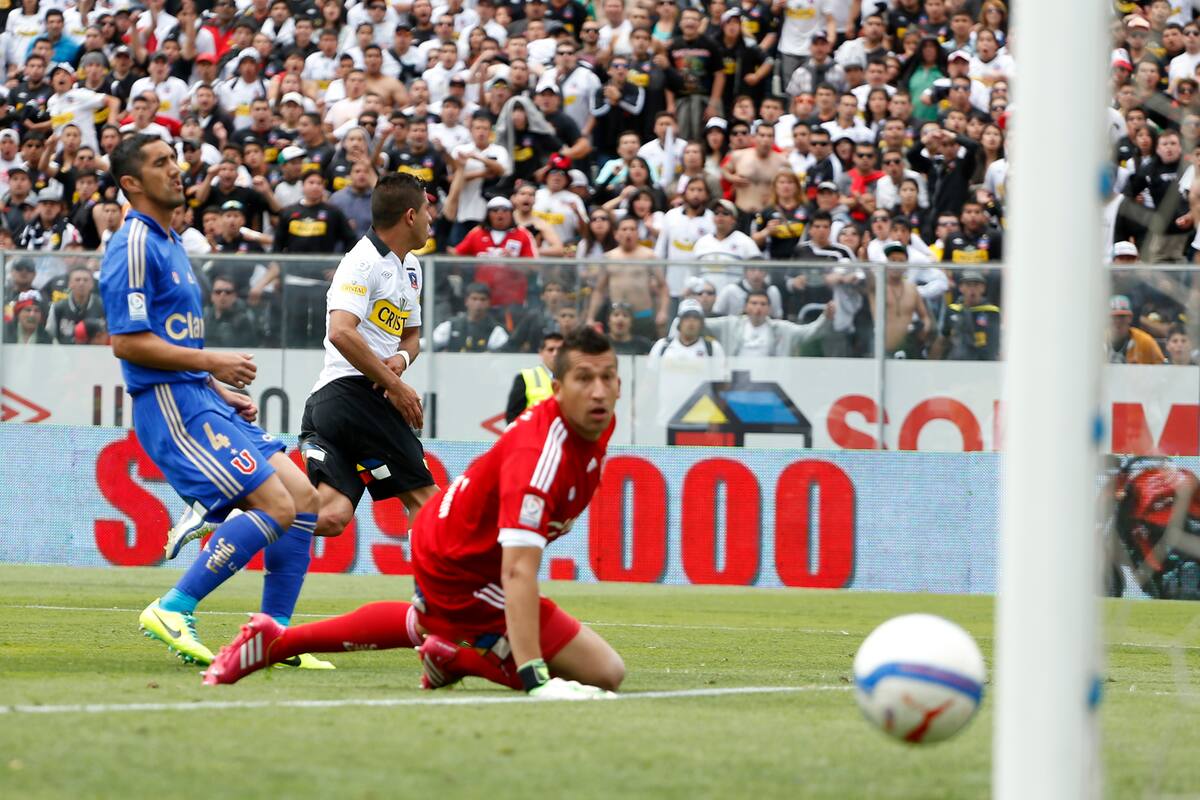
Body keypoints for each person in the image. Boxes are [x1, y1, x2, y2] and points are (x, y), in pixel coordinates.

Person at [205, 328, 625, 702]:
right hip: (460, 561)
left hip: (454, 536)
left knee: (424, 622)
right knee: (604, 673)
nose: (598, 391)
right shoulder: (539, 457)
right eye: (584, 379)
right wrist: (535, 678)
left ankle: (276, 641)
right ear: (557, 388)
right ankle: (459, 659)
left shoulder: (596, 423)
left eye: (607, 378)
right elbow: (517, 572)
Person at [98, 134, 323, 668]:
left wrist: (217, 385)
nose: (176, 170)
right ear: (131, 183)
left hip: (202, 397)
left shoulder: (172, 240)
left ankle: (273, 636)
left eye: (174, 160)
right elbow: (126, 342)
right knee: (275, 505)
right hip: (172, 406)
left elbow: (174, 337)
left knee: (304, 502)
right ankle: (174, 606)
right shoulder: (133, 244)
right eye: (159, 164)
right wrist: (211, 364)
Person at [287, 173, 440, 545]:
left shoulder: (412, 268)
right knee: (429, 505)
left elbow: (413, 337)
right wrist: (396, 387)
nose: (430, 219)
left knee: (332, 516)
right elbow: (341, 331)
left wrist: (401, 359)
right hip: (355, 394)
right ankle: (432, 603)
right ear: (409, 216)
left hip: (335, 406)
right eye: (426, 211)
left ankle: (241, 514)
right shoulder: (361, 262)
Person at [929, 269, 1000, 361]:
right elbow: (943, 339)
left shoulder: (991, 311)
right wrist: (931, 364)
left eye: (976, 285)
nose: (972, 289)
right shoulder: (953, 310)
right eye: (968, 285)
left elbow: (994, 343)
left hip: (982, 362)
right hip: (958, 361)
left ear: (983, 288)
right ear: (961, 288)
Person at [504, 331, 563, 424]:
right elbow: (513, 416)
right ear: (541, 352)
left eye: (560, 350)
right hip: (534, 436)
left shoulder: (573, 379)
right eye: (550, 349)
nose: (555, 354)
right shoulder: (525, 378)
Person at [432, 281, 510, 352]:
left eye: (483, 299)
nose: (478, 303)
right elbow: (428, 344)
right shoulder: (450, 325)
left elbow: (505, 352)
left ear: (489, 303)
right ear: (466, 301)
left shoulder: (496, 330)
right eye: (474, 299)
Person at [45, 265, 105, 344]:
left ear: (92, 284)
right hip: (66, 353)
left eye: (85, 280)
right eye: (77, 280)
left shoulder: (103, 306)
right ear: (70, 284)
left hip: (95, 353)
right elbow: (50, 334)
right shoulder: (58, 307)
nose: (81, 283)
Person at [1108, 294, 1166, 364]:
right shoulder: (1096, 342)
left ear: (1130, 318)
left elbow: (1162, 368)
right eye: (1114, 317)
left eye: (1122, 317)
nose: (1118, 321)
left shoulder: (1145, 342)